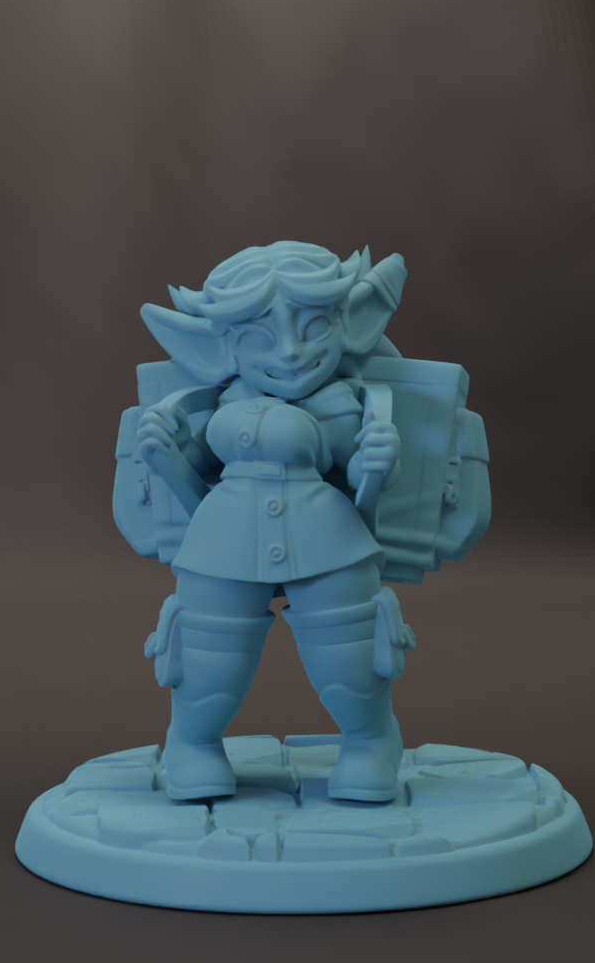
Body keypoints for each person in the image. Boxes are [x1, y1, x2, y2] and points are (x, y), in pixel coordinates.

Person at [136, 241, 415, 802]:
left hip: (327, 538)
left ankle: (370, 741)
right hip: (224, 539)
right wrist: (165, 452)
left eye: (313, 328)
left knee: (348, 657)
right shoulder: (214, 402)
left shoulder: (344, 402)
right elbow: (197, 480)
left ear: (345, 324)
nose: (289, 352)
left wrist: (378, 462)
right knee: (208, 653)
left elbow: (358, 475)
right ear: (222, 345)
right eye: (259, 337)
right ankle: (192, 743)